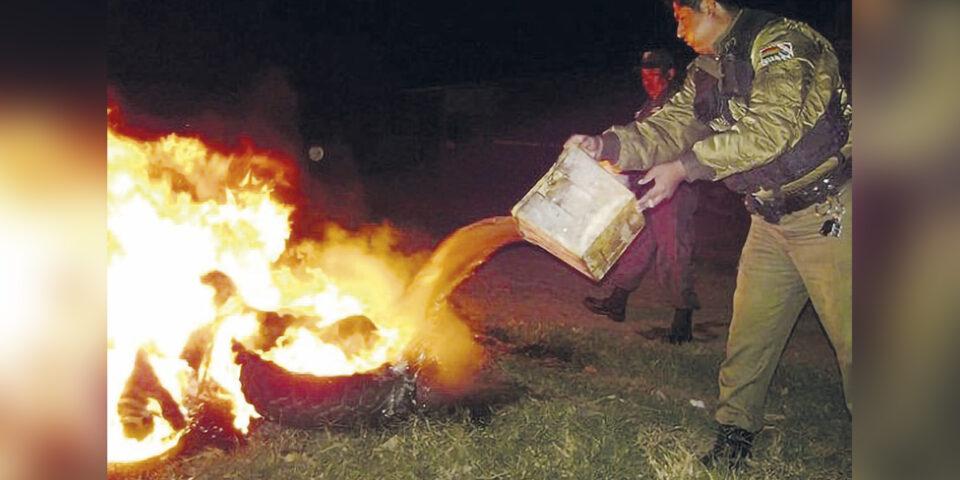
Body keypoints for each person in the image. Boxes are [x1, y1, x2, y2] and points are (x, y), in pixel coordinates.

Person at [566, 0, 852, 469]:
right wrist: (606, 145)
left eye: (682, 16)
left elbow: (770, 130)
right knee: (749, 336)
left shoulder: (783, 45)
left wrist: (686, 167)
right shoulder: (709, 69)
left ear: (712, 7)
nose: (678, 32)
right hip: (769, 219)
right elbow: (670, 125)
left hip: (831, 211)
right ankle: (734, 438)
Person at [582, 49, 701, 345]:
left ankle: (683, 316)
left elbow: (672, 144)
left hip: (674, 188)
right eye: (644, 75)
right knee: (637, 242)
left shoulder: (678, 104)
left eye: (654, 75)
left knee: (673, 250)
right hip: (647, 186)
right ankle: (618, 299)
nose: (647, 81)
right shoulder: (650, 104)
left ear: (671, 73)